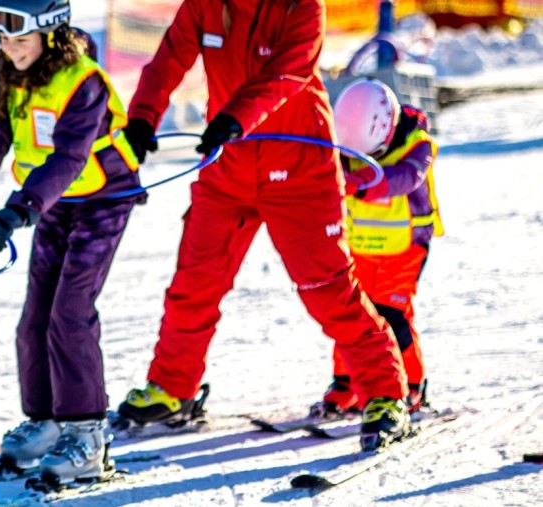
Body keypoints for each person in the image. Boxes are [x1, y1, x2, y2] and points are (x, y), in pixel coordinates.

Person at [113, 0, 413, 451]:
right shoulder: (206, 5)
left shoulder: (304, 7)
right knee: (195, 283)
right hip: (227, 169)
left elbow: (288, 73)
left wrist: (235, 118)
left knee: (327, 288)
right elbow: (168, 59)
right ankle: (173, 389)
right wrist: (142, 117)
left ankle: (386, 392)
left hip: (298, 168)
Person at [0, 0, 143, 483]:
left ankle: (88, 435)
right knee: (35, 319)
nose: (9, 48)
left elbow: (69, 159)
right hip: (52, 203)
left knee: (70, 313)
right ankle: (47, 423)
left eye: (20, 39)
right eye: (3, 39)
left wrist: (20, 208)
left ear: (50, 34)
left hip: (102, 198)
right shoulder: (10, 74)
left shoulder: (81, 81)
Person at [312, 79, 442, 418]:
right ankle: (347, 382)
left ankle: (410, 384)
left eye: (371, 154)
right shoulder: (345, 147)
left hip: (404, 252)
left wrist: (363, 182)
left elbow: (405, 177)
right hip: (358, 248)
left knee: (392, 315)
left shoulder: (418, 145)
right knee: (352, 312)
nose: (359, 161)